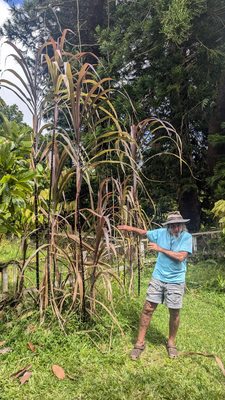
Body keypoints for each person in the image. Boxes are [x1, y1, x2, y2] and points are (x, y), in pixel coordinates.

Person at [118, 211, 192, 360]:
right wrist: (129, 228)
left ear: (182, 225)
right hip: (158, 277)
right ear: (168, 226)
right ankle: (139, 344)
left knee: (174, 312)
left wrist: (160, 249)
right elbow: (145, 232)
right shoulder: (161, 232)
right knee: (147, 309)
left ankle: (171, 343)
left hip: (176, 280)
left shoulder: (186, 237)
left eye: (178, 225)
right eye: (172, 226)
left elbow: (181, 257)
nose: (176, 228)